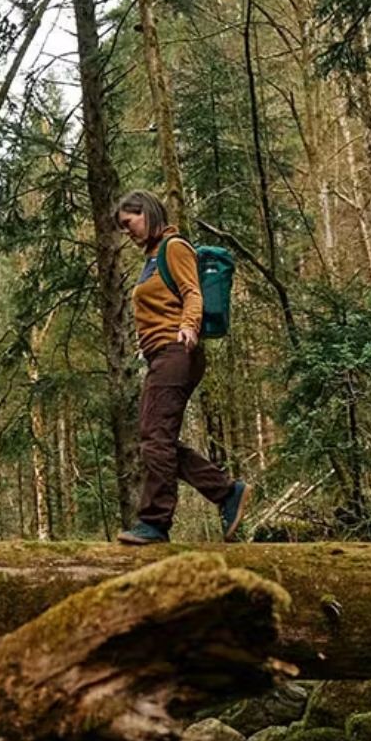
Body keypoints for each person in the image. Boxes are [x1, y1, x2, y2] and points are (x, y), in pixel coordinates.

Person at [113, 189, 250, 545]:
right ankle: (226, 492)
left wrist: (188, 325)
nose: (127, 232)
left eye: (129, 223)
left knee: (154, 438)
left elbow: (192, 292)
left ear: (146, 212)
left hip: (177, 350)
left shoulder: (174, 247)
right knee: (158, 438)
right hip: (162, 355)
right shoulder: (152, 257)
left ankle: (156, 522)